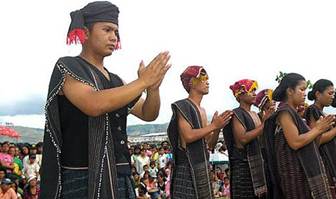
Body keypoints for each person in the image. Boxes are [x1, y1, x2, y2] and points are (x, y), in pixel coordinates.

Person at [40, 1, 171, 198]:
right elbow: (94, 104)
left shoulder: (116, 81)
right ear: (85, 32)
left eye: (116, 32)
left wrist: (153, 89)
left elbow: (148, 113)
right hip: (81, 178)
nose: (114, 37)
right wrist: (143, 81)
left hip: (120, 173)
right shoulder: (67, 67)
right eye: (107, 29)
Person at [264, 73, 335, 199]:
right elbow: (295, 142)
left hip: (303, 174)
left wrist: (319, 131)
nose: (305, 93)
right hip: (294, 174)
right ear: (290, 91)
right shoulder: (285, 112)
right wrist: (318, 129)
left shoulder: (294, 113)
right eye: (301, 89)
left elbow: (313, 144)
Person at [167, 65, 232, 198]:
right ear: (191, 82)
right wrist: (213, 125)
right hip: (187, 167)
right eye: (203, 78)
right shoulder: (183, 106)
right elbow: (188, 136)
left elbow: (209, 145)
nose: (207, 81)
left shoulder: (202, 110)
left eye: (208, 78)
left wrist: (218, 128)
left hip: (202, 167)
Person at [304, 79, 336, 198]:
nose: (332, 97)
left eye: (334, 94)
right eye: (330, 93)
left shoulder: (324, 113)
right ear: (318, 94)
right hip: (325, 162)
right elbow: (315, 140)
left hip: (334, 159)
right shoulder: (312, 110)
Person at [223, 79, 268, 198]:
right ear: (241, 94)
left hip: (258, 162)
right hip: (243, 165)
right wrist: (264, 125)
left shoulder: (255, 114)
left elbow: (260, 137)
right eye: (251, 90)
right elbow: (242, 139)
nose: (254, 94)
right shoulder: (237, 113)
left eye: (255, 91)